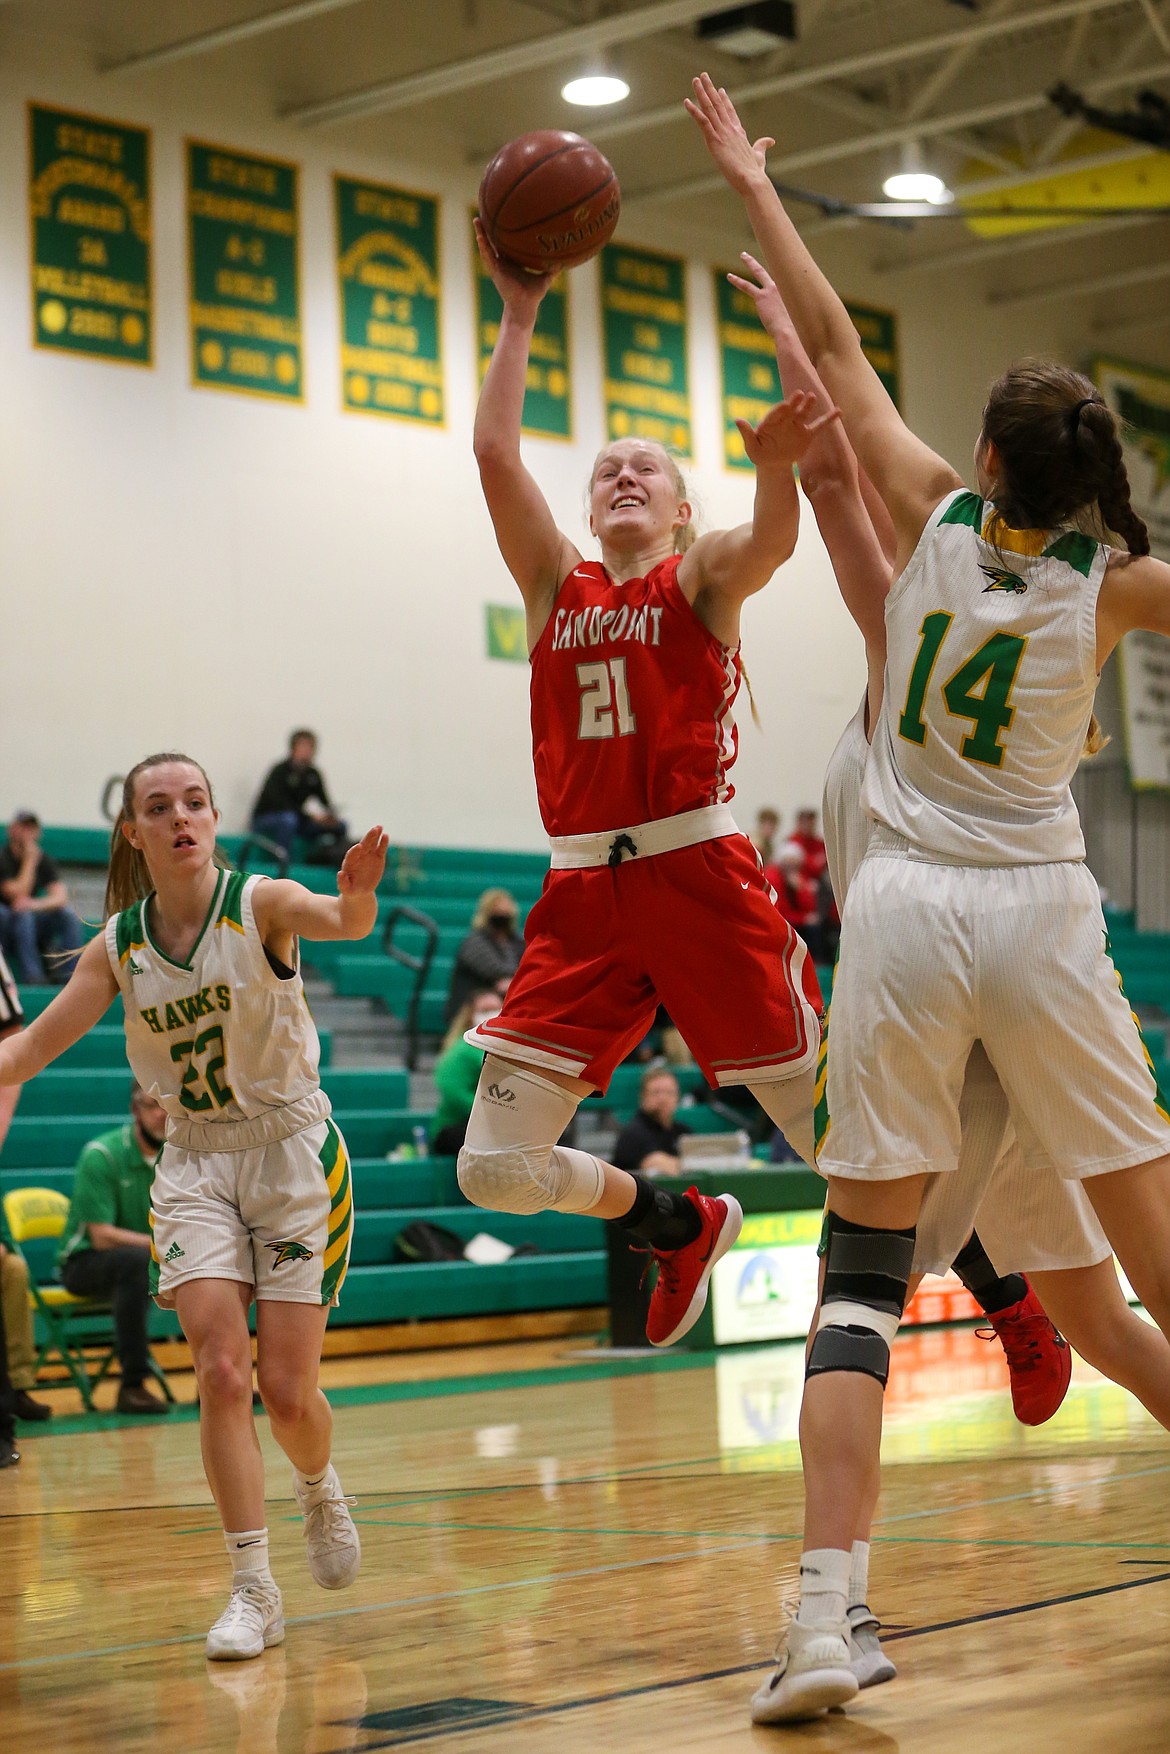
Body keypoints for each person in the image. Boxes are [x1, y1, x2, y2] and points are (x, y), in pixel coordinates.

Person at [690, 70, 1170, 1723]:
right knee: (1146, 1274)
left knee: (857, 1288)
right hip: (1039, 913)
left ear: (982, 456)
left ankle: (825, 1617)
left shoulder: (930, 515)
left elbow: (833, 358)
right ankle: (849, 1589)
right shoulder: (1110, 589)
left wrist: (760, 186)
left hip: (905, 913)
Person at [457, 216, 835, 1352]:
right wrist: (519, 312)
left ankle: (1004, 1285)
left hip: (697, 872)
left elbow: (772, 545)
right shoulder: (552, 584)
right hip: (582, 895)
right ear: (589, 509)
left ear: (678, 507)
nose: (624, 475)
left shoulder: (699, 573)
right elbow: (492, 455)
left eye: (648, 469)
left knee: (837, 1139)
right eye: (606, 469)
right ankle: (675, 1218)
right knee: (492, 1169)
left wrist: (775, 469)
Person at [0, 752, 388, 1661]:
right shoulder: (119, 945)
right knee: (220, 1368)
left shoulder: (262, 904)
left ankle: (319, 1483)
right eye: (160, 807)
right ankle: (253, 1588)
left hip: (293, 1154)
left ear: (214, 819)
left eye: (197, 803)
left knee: (288, 1396)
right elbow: (23, 1054)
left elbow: (345, 921)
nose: (182, 818)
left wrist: (360, 895)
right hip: (197, 1162)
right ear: (133, 833)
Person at [56, 1083, 173, 1416]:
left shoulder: (180, 1157)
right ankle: (132, 1385)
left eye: (166, 1104)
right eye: (151, 1105)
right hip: (84, 1263)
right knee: (137, 1263)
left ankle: (215, 1381)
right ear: (134, 1109)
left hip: (148, 1257)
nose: (161, 1113)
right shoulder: (103, 1155)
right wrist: (163, 1247)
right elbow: (101, 1237)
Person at [0, 811, 85, 984]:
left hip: (28, 918)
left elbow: (60, 897)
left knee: (67, 915)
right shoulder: (4, 857)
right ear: (12, 830)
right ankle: (33, 978)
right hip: (6, 921)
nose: (27, 832)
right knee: (23, 916)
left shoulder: (44, 859)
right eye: (23, 827)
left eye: (31, 828)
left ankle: (70, 978)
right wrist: (30, 861)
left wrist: (33, 904)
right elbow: (16, 893)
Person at [251, 730, 349, 863]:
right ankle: (283, 863)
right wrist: (311, 816)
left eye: (310, 747)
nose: (307, 751)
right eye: (303, 747)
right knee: (288, 820)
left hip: (298, 818)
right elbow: (279, 804)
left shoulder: (313, 774)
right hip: (269, 818)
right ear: (293, 748)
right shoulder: (280, 771)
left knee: (340, 825)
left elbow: (324, 801)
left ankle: (336, 861)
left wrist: (328, 816)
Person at [431, 991, 501, 1157]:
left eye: (496, 1009)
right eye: (485, 1010)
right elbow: (451, 1089)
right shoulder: (463, 1048)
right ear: (471, 1014)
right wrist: (491, 1111)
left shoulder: (499, 1048)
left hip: (487, 1124)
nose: (491, 1014)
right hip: (453, 1126)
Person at [445, 889, 525, 1025]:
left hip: (506, 1004)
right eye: (496, 910)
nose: (502, 914)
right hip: (470, 1006)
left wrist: (512, 982)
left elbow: (527, 969)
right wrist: (515, 981)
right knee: (490, 1002)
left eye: (506, 910)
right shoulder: (474, 941)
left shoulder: (517, 941)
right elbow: (495, 970)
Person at [611, 1069, 692, 1175]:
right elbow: (659, 1165)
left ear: (677, 1097)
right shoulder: (633, 1133)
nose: (663, 1098)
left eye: (669, 1093)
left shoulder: (682, 1131)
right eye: (656, 1092)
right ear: (643, 1097)